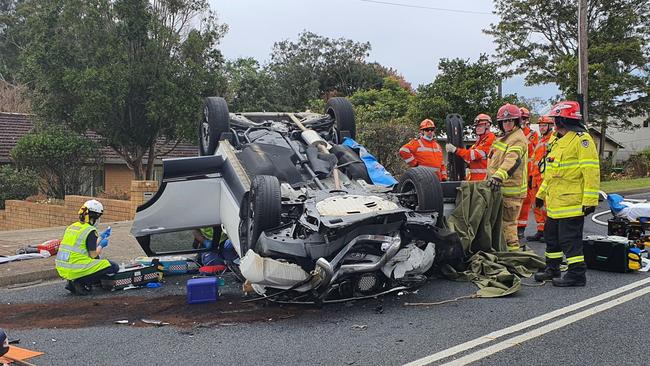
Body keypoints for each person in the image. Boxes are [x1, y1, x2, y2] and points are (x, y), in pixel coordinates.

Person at [534, 101, 599, 287]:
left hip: (572, 203)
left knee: (570, 240)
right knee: (551, 238)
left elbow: (591, 172)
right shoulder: (557, 140)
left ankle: (577, 274)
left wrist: (590, 200)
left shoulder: (581, 140)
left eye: (556, 120)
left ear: (564, 120)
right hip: (555, 203)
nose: (554, 123)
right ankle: (552, 268)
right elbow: (551, 173)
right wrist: (540, 194)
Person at [486, 104, 529, 251]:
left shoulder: (517, 139)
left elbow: (512, 160)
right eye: (504, 121)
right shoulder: (504, 138)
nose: (507, 124)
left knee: (508, 225)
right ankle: (504, 253)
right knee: (498, 226)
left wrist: (498, 177)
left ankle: (513, 257)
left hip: (511, 191)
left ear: (516, 121)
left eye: (510, 120)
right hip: (500, 190)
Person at [55, 199, 118, 295]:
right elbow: (93, 255)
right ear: (94, 217)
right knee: (113, 266)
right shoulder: (90, 230)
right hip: (76, 267)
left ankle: (72, 281)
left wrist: (100, 237)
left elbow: (84, 246)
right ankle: (81, 282)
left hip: (62, 267)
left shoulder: (72, 227)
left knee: (96, 262)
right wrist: (101, 246)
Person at [524, 115, 555, 242]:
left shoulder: (553, 140)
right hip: (535, 179)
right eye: (540, 125)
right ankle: (540, 230)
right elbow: (534, 161)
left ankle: (549, 232)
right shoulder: (541, 141)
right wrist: (531, 177)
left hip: (545, 179)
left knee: (546, 207)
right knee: (536, 206)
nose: (542, 128)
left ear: (550, 126)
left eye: (544, 125)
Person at [445, 113, 496, 181]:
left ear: (487, 126)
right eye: (476, 126)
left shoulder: (490, 138)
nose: (477, 128)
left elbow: (472, 155)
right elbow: (467, 157)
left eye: (480, 126)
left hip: (484, 180)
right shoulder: (479, 141)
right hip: (476, 180)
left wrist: (455, 150)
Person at [517, 107, 540, 240]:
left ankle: (521, 228)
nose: (522, 121)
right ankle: (511, 228)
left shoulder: (533, 135)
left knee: (525, 202)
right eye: (521, 118)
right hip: (514, 172)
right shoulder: (512, 134)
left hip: (528, 173)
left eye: (524, 118)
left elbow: (535, 154)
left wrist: (532, 175)